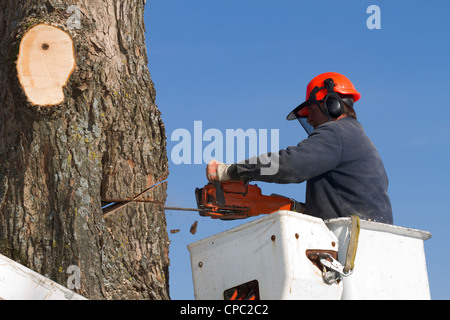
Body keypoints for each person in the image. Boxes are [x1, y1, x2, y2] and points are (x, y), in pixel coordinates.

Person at [206, 72, 393, 224]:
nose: (310, 119)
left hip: (352, 241)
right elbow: (344, 201)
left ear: (331, 104)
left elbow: (289, 165)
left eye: (311, 111)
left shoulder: (337, 133)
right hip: (366, 239)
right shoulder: (359, 139)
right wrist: (298, 209)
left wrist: (231, 171)